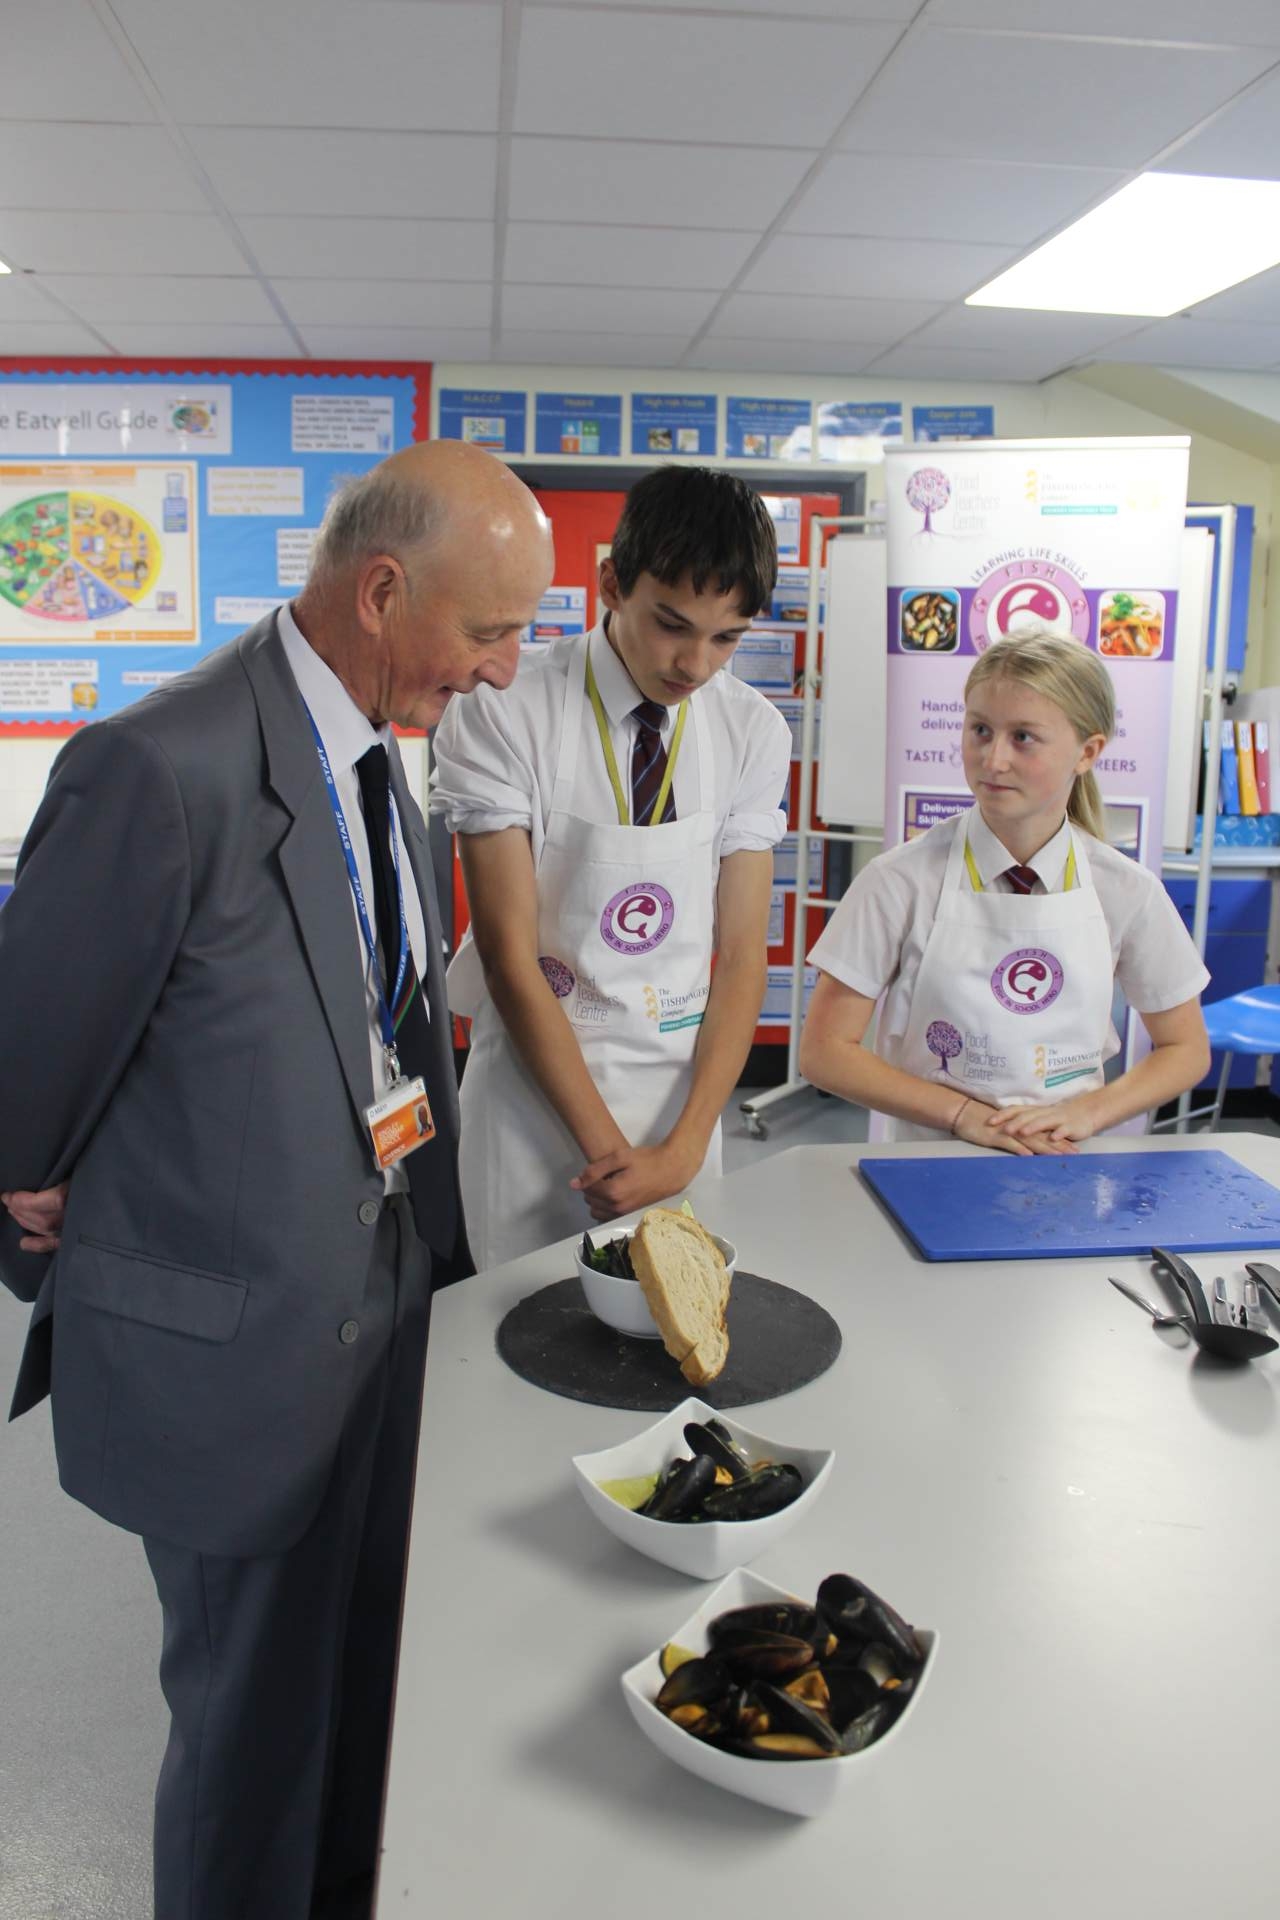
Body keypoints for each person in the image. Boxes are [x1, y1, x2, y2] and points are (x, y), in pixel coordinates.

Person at [0, 439, 553, 1920]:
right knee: (250, 1751)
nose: (501, 670)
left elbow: (364, 1018)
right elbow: (24, 1070)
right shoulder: (159, 769)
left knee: (362, 1703)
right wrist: (49, 1192)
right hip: (234, 1363)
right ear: (381, 593)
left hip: (384, 1323)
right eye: (488, 630)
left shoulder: (381, 759)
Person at [431, 465, 792, 1269]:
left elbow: (742, 957)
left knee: (666, 1321)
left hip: (679, 1101)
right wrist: (609, 1155)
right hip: (533, 1104)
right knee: (518, 1323)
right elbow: (510, 956)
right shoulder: (506, 708)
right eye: (672, 624)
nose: (695, 663)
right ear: (612, 585)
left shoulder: (752, 731)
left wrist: (684, 1147)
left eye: (727, 637)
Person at [799, 627, 1211, 1152]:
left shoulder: (1126, 890)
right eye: (980, 730)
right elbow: (824, 1051)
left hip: (1065, 1162)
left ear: (1087, 752)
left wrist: (1085, 1112)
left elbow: (1185, 1048)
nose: (993, 760)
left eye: (1023, 737)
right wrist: (961, 1114)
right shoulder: (898, 881)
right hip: (929, 1161)